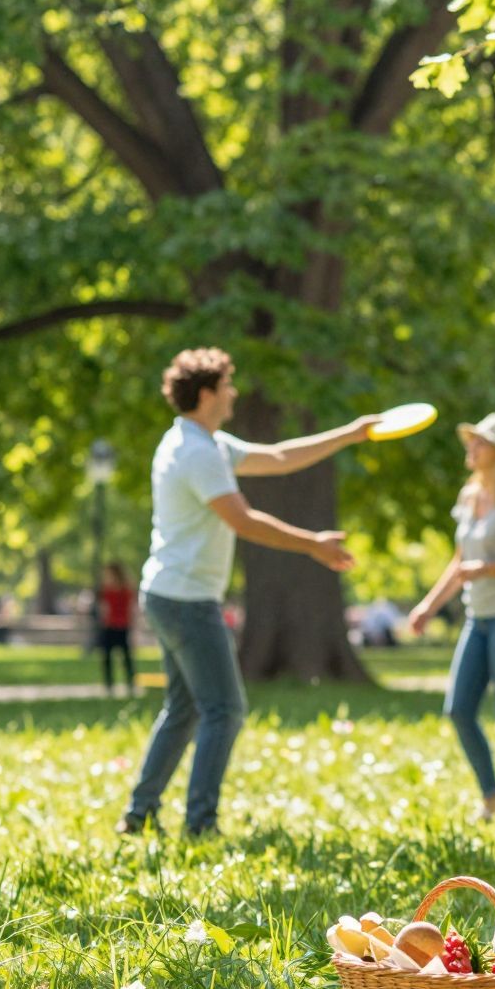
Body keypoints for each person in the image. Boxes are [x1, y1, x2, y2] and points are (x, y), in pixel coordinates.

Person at [118, 348, 373, 837]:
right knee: (225, 709)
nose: (235, 392)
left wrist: (350, 433)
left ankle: (139, 813)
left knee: (187, 707)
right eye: (229, 384)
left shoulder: (201, 441)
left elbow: (277, 458)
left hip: (169, 592)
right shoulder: (195, 452)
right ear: (209, 392)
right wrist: (313, 544)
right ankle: (200, 824)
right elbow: (243, 520)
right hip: (187, 600)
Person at [408, 414, 495, 819]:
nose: (470, 448)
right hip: (479, 619)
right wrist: (427, 606)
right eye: (471, 441)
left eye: (480, 443)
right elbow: (459, 562)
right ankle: (491, 799)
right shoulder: (469, 497)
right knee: (459, 709)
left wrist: (486, 567)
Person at [97, 561, 137, 695]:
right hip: (110, 625)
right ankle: (109, 684)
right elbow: (105, 608)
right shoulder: (106, 590)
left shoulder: (124, 590)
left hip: (122, 625)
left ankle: (130, 682)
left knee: (125, 656)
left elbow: (131, 608)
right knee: (108, 656)